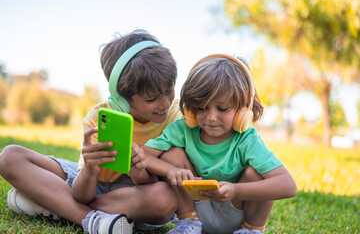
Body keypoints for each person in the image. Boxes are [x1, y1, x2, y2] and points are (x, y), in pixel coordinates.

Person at [0, 29, 183, 234]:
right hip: (93, 187)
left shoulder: (176, 116)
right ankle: (90, 219)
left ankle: (55, 205)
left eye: (169, 90)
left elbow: (160, 185)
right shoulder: (98, 118)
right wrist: (89, 169)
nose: (165, 103)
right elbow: (82, 195)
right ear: (121, 99)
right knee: (10, 156)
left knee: (165, 198)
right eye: (151, 99)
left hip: (136, 196)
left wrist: (138, 173)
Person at [142, 54, 298, 234]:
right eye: (201, 108)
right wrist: (170, 170)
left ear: (242, 110)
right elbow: (143, 154)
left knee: (256, 173)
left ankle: (251, 230)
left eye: (222, 109)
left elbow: (288, 185)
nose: (211, 117)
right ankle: (189, 224)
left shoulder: (247, 139)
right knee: (172, 155)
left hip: (236, 214)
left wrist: (236, 190)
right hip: (197, 211)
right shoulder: (182, 129)